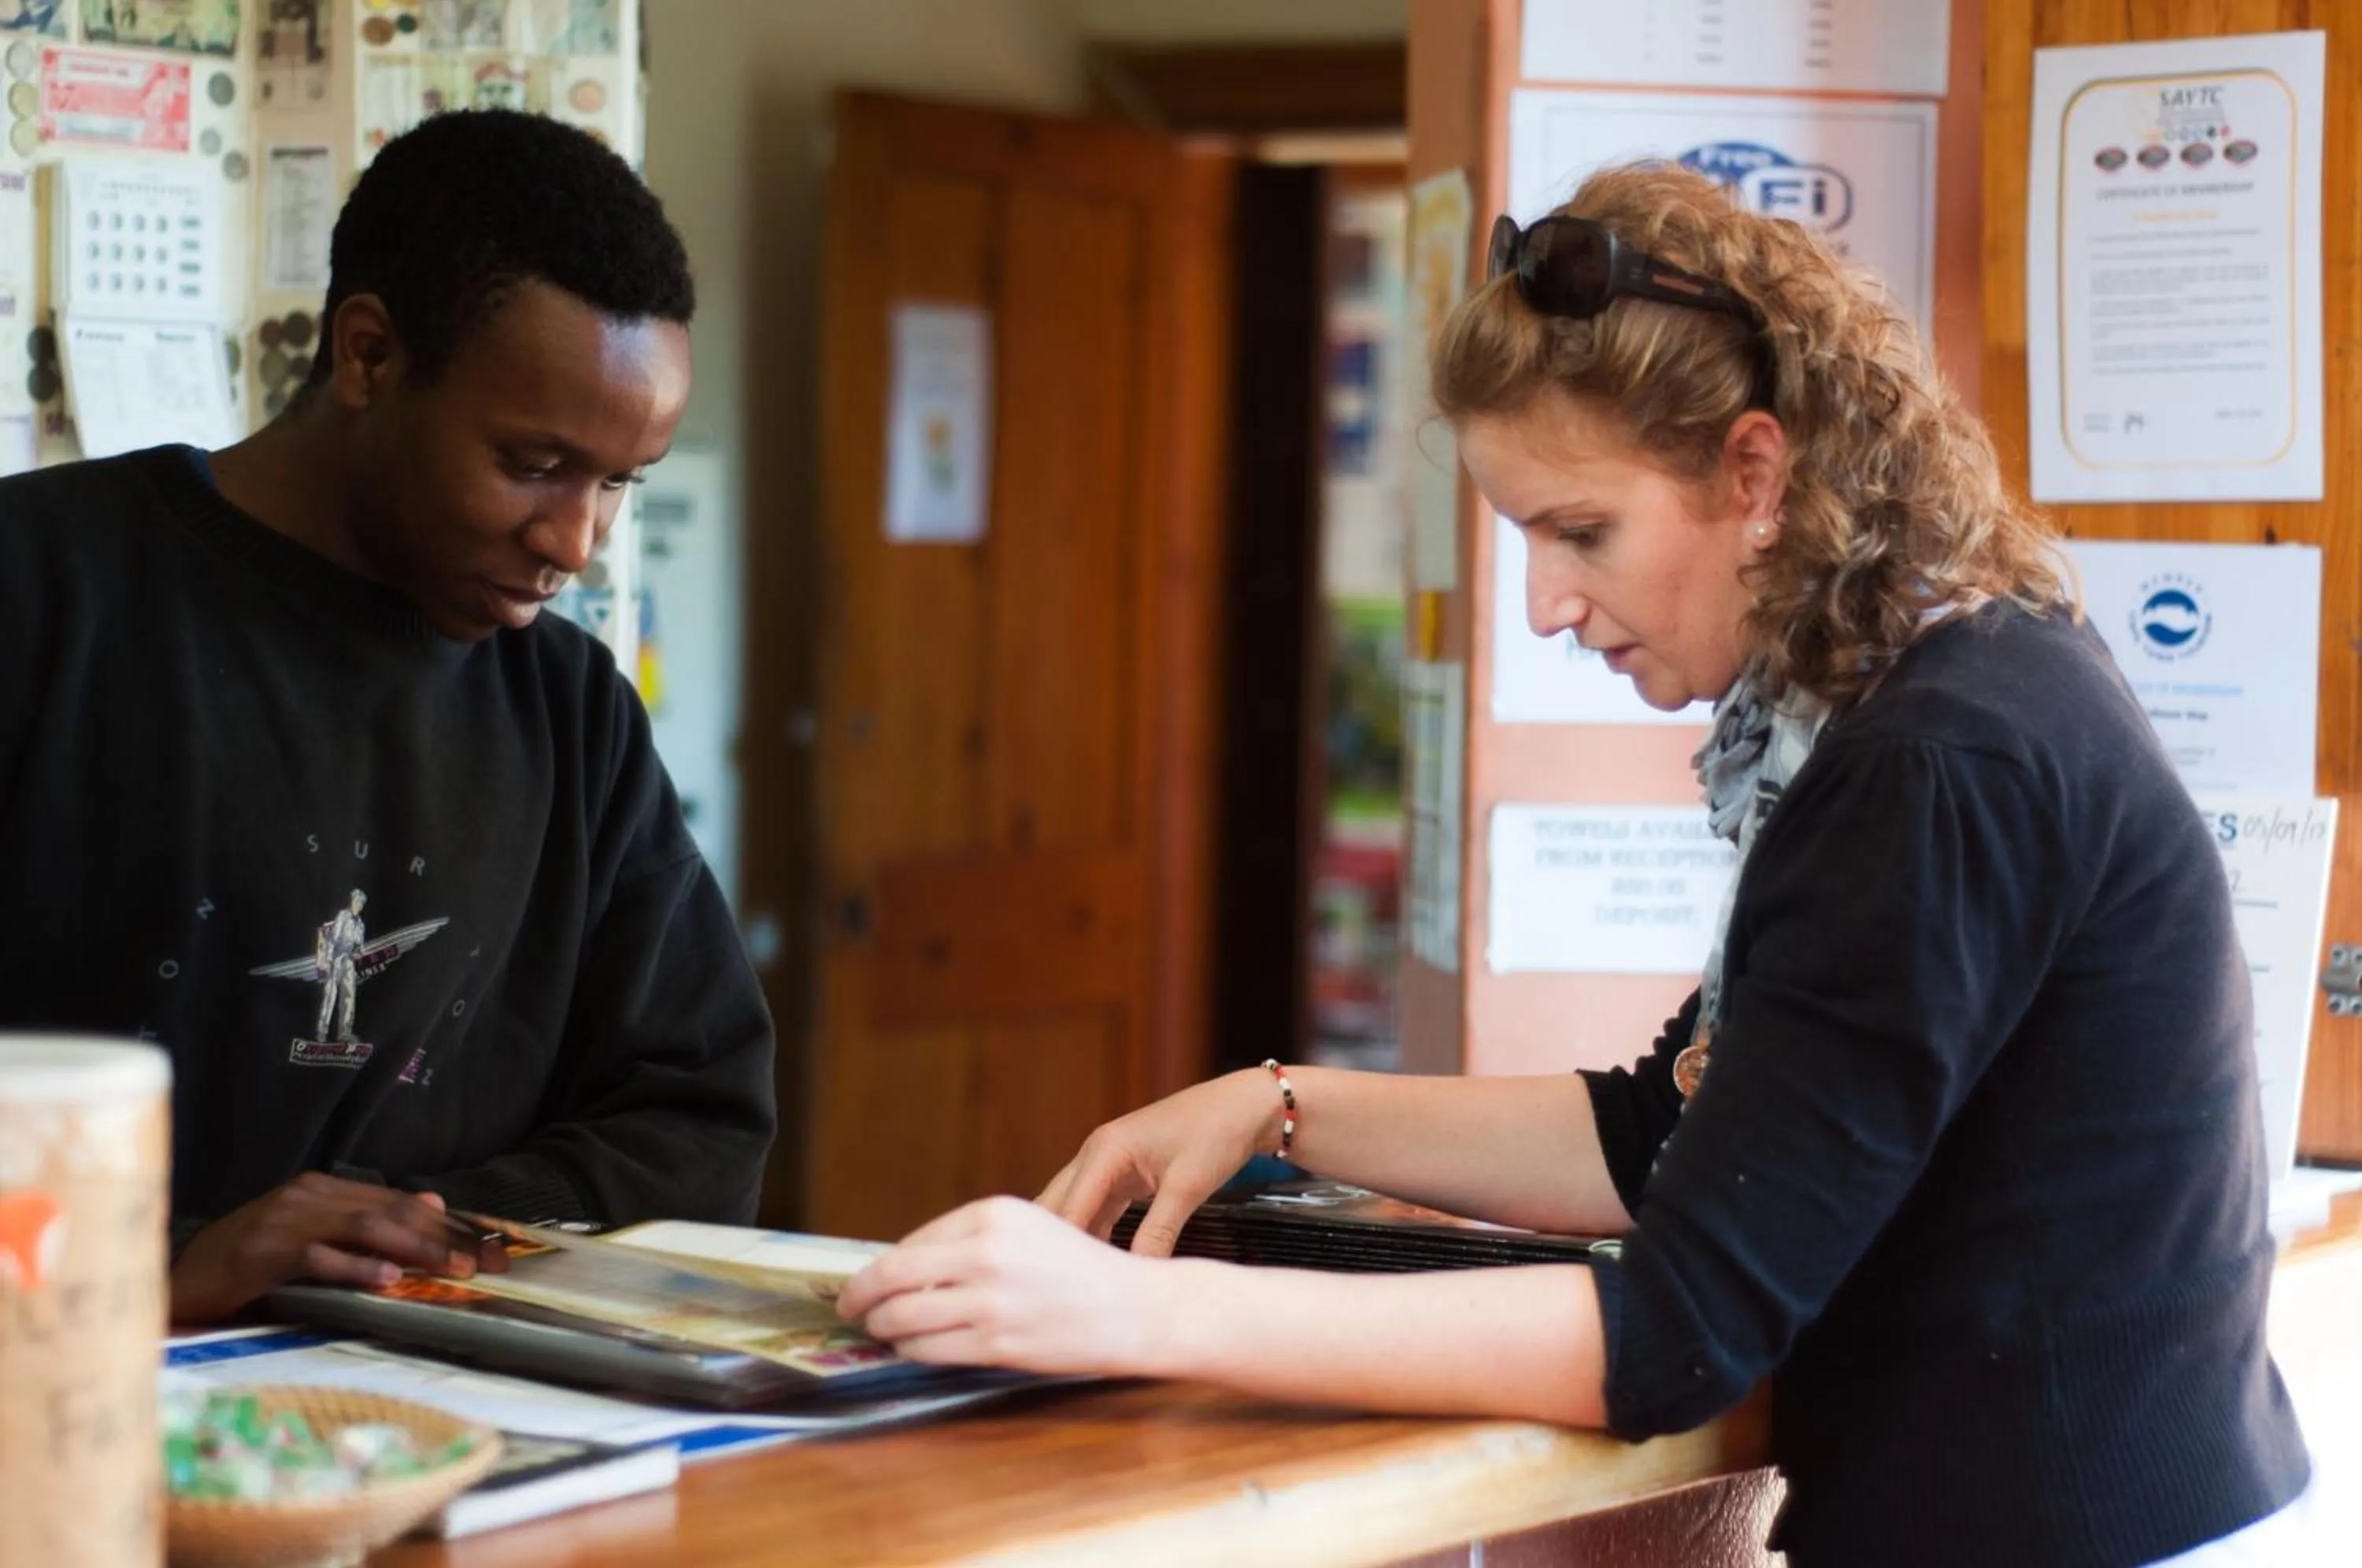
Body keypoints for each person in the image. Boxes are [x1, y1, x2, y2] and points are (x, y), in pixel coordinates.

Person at [837, 164, 2315, 1566]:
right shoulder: (1926, 687)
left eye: (1583, 533)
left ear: (1755, 473)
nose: (1548, 603)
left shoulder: (1932, 763)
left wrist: (1135, 1313)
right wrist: (1281, 1105)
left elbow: (1678, 1333)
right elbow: (1665, 1132)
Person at [0, 109, 776, 1324]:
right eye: (533, 465)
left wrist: (402, 1239)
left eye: (618, 483)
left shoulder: (572, 713)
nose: (576, 542)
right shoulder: (39, 596)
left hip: (442, 1408)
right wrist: (163, 1264)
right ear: (367, 355)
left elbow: (698, 1123)